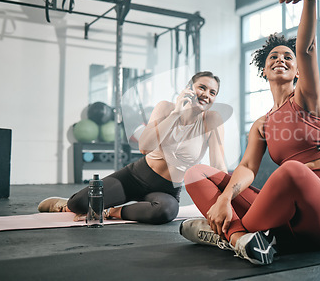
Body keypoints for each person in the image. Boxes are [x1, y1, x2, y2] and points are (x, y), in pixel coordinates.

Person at [180, 0, 320, 265]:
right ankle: (240, 237)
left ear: (298, 71)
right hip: (283, 219)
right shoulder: (262, 124)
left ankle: (225, 232)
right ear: (264, 71)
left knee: (292, 171)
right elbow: (247, 167)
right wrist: (223, 199)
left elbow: (307, 49)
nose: (280, 59)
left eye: (287, 56)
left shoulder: (307, 99)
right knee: (195, 174)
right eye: (273, 57)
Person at [38, 71, 227, 224]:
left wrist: (226, 199)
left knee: (166, 212)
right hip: (135, 177)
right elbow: (145, 147)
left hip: (167, 190)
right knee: (79, 204)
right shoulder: (165, 108)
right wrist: (177, 113)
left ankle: (111, 211)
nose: (206, 95)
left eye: (212, 92)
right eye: (202, 87)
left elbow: (219, 164)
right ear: (189, 89)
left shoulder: (212, 120)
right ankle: (65, 205)